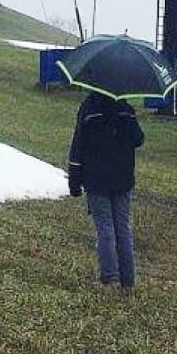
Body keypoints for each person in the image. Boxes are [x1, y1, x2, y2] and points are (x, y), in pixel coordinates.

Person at [67, 91, 145, 292]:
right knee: (122, 227)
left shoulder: (89, 108)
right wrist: (128, 118)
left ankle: (110, 279)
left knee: (105, 228)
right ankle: (128, 281)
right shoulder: (125, 109)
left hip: (96, 179)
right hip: (123, 179)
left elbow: (78, 144)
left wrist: (74, 180)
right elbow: (139, 139)